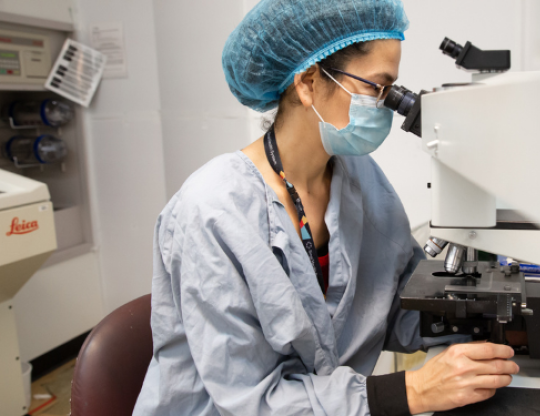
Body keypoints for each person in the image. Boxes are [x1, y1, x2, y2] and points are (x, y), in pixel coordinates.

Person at [132, 1, 518, 415]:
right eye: (377, 87)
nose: (388, 105)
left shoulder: (360, 178)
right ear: (309, 82)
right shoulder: (211, 210)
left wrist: (475, 328)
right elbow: (249, 400)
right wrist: (414, 390)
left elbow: (397, 304)